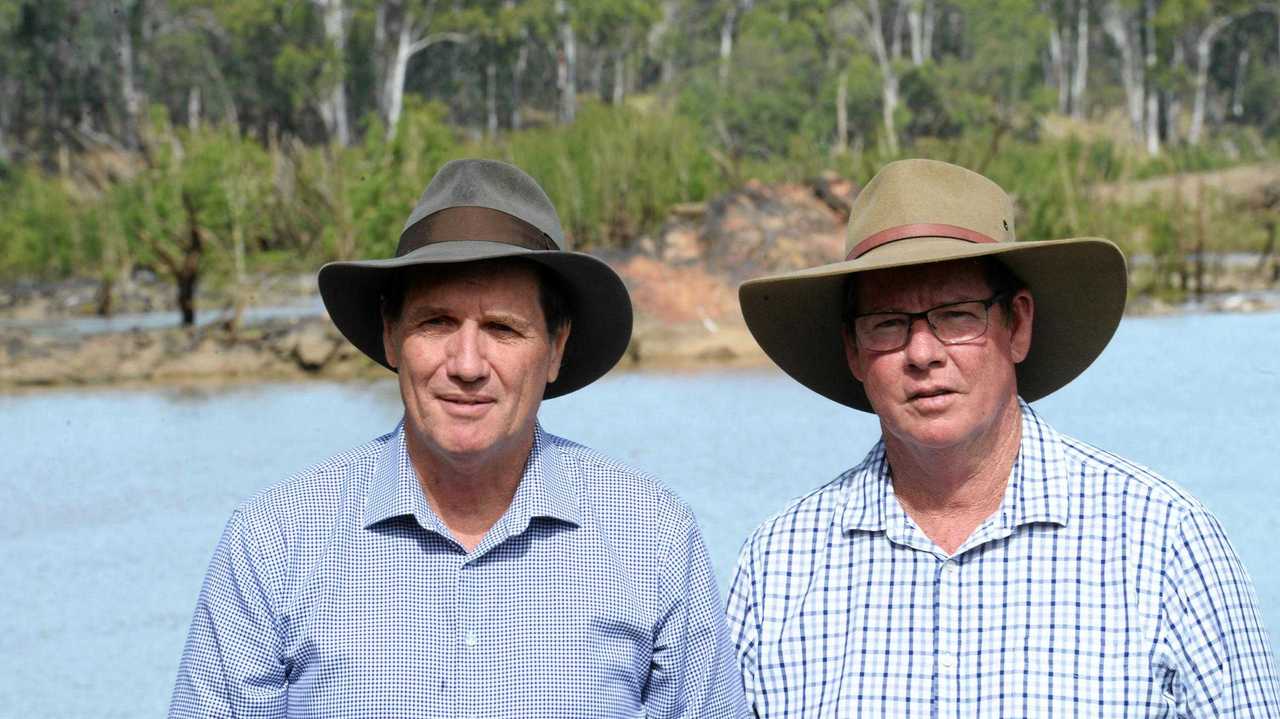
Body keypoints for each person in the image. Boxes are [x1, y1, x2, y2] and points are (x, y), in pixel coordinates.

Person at [170, 159, 748, 718]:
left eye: (502, 328)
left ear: (555, 348)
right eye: (437, 323)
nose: (467, 364)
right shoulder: (274, 543)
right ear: (392, 337)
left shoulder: (652, 539)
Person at [728, 158, 1279, 717]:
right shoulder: (779, 563)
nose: (923, 353)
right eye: (888, 324)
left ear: (1017, 325)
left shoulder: (1163, 541)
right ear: (853, 351)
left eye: (957, 316)